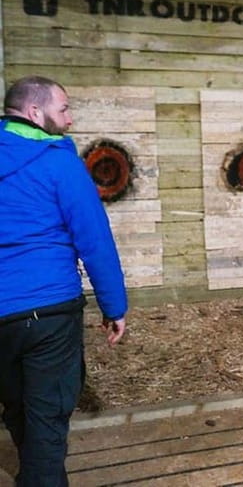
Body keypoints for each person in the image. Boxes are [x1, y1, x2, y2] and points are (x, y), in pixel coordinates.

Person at [0, 76, 127, 486]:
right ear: (35, 112)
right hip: (49, 311)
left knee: (17, 405)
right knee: (48, 415)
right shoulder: (59, 162)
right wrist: (114, 307)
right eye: (64, 109)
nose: (71, 121)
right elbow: (94, 240)